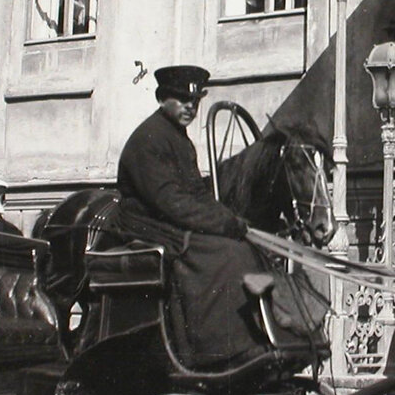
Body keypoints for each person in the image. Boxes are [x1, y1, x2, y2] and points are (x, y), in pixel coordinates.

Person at [116, 65, 324, 367]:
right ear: (162, 99)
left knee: (245, 250)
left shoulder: (178, 139)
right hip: (148, 225)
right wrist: (226, 223)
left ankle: (254, 336)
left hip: (167, 220)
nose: (191, 106)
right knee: (228, 256)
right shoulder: (149, 138)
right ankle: (216, 347)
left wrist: (233, 221)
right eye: (182, 100)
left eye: (196, 101)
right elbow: (170, 201)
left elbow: (197, 196)